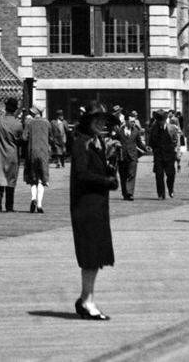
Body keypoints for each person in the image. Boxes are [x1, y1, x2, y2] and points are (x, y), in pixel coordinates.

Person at [70, 109, 119, 320]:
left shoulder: (96, 143)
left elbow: (93, 171)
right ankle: (87, 301)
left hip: (97, 207)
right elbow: (81, 174)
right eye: (97, 121)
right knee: (90, 257)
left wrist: (109, 169)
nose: (102, 124)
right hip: (86, 207)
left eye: (104, 121)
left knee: (95, 257)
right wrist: (105, 181)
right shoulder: (83, 143)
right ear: (88, 123)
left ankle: (85, 298)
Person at [0, 96, 24, 213]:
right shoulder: (18, 124)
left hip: (0, 154)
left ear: (6, 108)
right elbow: (21, 139)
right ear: (15, 110)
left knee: (0, 178)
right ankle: (9, 206)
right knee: (11, 180)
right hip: (13, 155)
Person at [21, 106, 53, 213]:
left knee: (33, 179)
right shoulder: (47, 123)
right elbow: (51, 138)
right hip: (43, 153)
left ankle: (33, 198)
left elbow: (24, 138)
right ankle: (39, 204)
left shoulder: (29, 123)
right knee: (42, 180)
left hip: (32, 153)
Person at [148, 109, 180, 200]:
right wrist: (151, 148)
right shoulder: (154, 129)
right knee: (159, 175)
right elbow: (150, 142)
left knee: (171, 174)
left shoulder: (172, 128)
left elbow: (176, 141)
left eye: (161, 120)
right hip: (158, 155)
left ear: (165, 120)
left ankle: (170, 189)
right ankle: (161, 193)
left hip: (170, 155)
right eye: (159, 121)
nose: (160, 123)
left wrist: (177, 152)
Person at [116, 114, 147, 201]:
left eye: (134, 121)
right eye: (131, 121)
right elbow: (114, 140)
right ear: (126, 121)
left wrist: (145, 148)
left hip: (132, 156)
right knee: (123, 175)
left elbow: (139, 143)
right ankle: (125, 193)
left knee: (132, 174)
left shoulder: (136, 131)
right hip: (122, 156)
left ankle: (130, 193)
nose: (133, 123)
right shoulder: (119, 131)